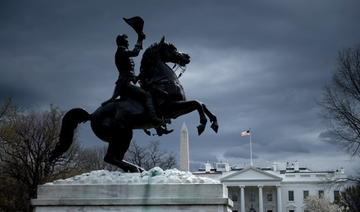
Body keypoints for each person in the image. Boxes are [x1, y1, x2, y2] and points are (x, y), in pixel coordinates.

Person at [102, 33, 162, 125]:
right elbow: (135, 53)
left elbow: (129, 71)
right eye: (127, 41)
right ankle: (153, 118)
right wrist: (140, 39)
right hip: (125, 83)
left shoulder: (123, 51)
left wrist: (138, 76)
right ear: (122, 42)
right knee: (147, 95)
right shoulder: (121, 51)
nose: (128, 43)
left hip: (129, 81)